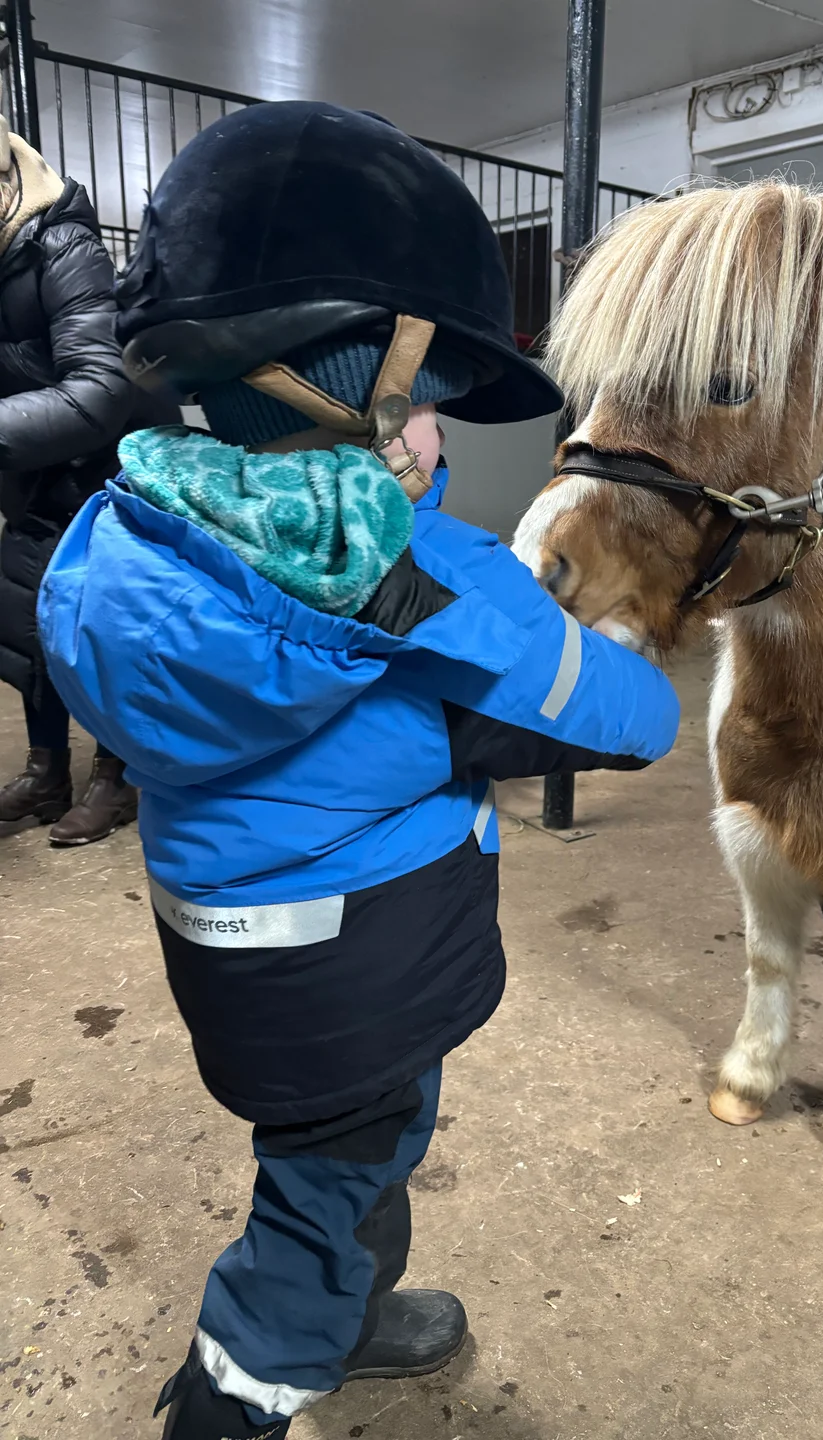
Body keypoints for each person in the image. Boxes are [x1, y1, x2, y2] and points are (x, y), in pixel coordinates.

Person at [38, 102, 679, 1440]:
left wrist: (388, 728)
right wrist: (508, 677)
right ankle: (245, 1386)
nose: (440, 445)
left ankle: (351, 1307)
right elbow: (636, 719)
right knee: (323, 1206)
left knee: (331, 1157)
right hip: (366, 973)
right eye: (427, 407)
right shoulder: (428, 577)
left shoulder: (108, 532)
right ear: (336, 392)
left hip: (237, 965)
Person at [0, 114, 171, 844]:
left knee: (100, 630)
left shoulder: (60, 245)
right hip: (39, 470)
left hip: (107, 473)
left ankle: (116, 775)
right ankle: (46, 773)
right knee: (30, 620)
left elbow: (102, 387)